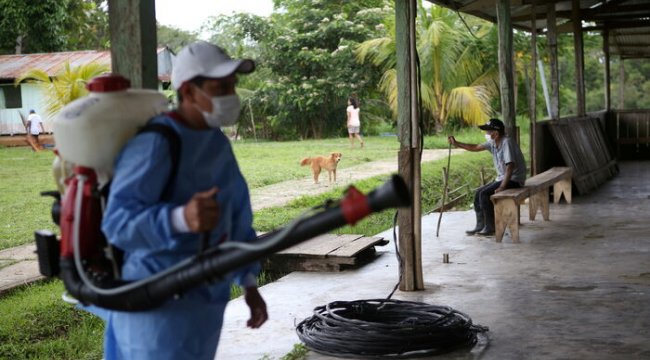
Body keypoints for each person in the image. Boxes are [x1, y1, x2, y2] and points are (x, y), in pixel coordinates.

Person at [100, 41, 268, 360]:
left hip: (204, 302)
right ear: (189, 92)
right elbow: (117, 223)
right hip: (156, 302)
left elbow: (237, 217)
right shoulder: (156, 142)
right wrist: (180, 219)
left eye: (232, 86)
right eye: (221, 88)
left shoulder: (216, 142)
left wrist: (249, 283)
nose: (231, 96)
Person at [448, 118, 526, 236]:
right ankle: (480, 226)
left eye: (488, 131)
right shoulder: (493, 143)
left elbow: (510, 166)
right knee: (478, 192)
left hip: (514, 179)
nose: (486, 134)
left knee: (484, 194)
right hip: (503, 178)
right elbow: (475, 147)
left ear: (496, 133)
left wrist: (503, 186)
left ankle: (491, 227)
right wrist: (457, 143)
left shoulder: (507, 142)